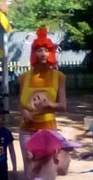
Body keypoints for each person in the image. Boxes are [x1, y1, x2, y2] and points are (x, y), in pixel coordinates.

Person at [17, 26, 67, 170]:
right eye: (39, 50)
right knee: (29, 169)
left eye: (46, 50)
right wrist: (24, 111)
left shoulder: (59, 77)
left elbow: (63, 106)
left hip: (48, 129)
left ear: (51, 53)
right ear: (34, 53)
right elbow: (20, 103)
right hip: (26, 130)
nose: (43, 54)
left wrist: (49, 105)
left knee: (47, 168)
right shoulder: (24, 77)